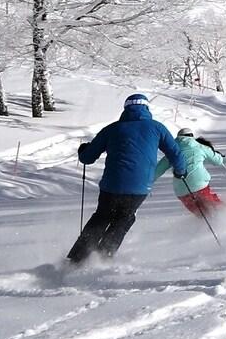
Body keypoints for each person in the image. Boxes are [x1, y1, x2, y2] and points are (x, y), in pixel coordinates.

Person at [67, 93, 183, 265]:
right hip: (140, 187)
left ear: (125, 108)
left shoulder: (112, 128)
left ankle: (77, 258)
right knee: (125, 217)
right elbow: (175, 152)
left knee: (102, 217)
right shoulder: (157, 128)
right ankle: (103, 256)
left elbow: (87, 158)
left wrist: (83, 150)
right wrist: (180, 171)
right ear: (146, 108)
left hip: (111, 185)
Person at [158, 127, 226, 217]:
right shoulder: (199, 146)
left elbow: (158, 169)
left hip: (181, 190)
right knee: (216, 208)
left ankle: (205, 228)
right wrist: (219, 156)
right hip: (199, 185)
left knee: (202, 215)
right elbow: (217, 161)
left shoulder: (172, 152)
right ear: (192, 137)